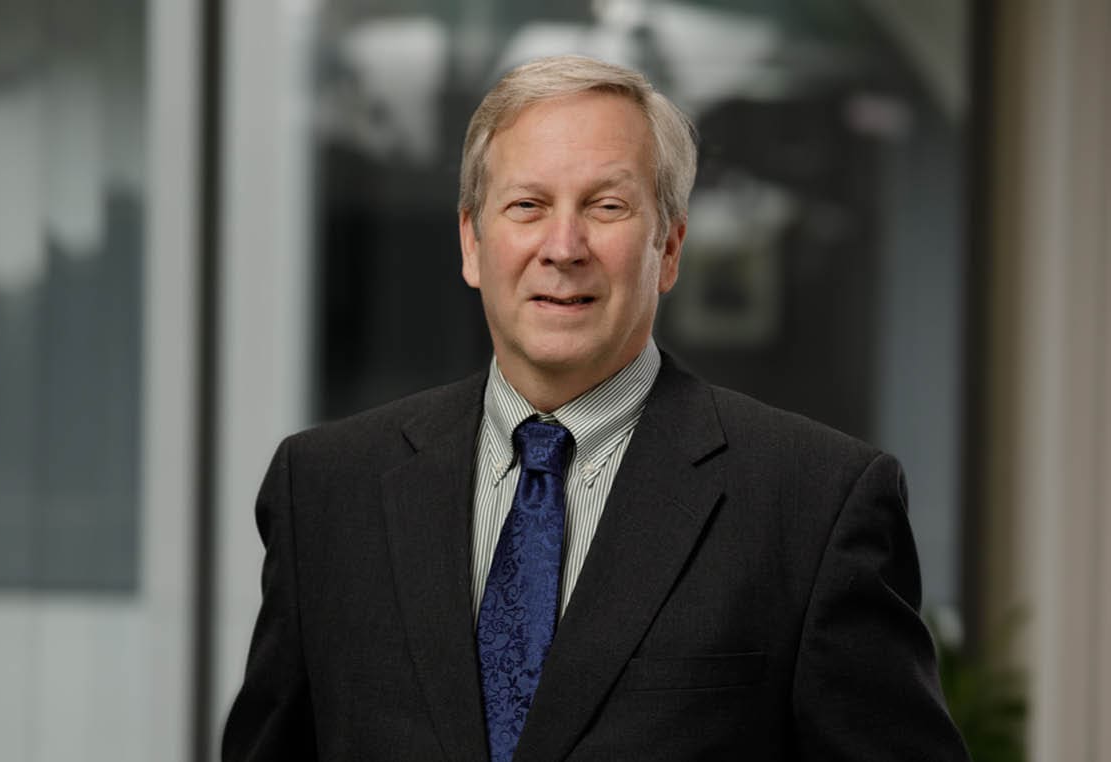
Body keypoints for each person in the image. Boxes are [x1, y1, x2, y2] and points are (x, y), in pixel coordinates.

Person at [222, 55, 969, 761]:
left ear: (669, 246)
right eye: (527, 205)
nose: (564, 245)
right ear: (472, 242)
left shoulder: (815, 506)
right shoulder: (325, 491)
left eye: (606, 206)